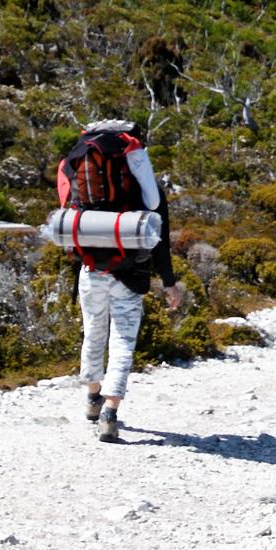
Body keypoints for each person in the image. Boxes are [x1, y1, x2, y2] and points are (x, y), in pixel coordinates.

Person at [60, 118, 185, 443]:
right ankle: (110, 413)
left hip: (90, 272)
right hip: (130, 275)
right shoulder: (146, 192)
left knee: (93, 335)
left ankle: (92, 398)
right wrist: (169, 283)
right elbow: (160, 239)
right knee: (122, 344)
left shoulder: (84, 186)